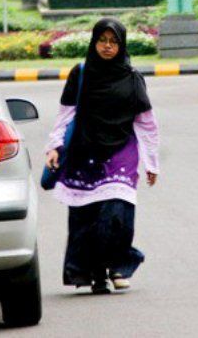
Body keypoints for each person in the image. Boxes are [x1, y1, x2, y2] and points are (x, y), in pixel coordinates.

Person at [45, 18, 160, 294]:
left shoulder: (132, 78)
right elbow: (65, 114)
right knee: (86, 217)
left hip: (121, 150)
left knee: (116, 214)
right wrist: (53, 146)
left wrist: (152, 162)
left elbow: (147, 123)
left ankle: (119, 263)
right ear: (94, 42)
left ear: (121, 45)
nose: (107, 47)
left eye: (113, 41)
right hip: (84, 151)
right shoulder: (81, 73)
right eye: (102, 40)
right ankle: (96, 275)